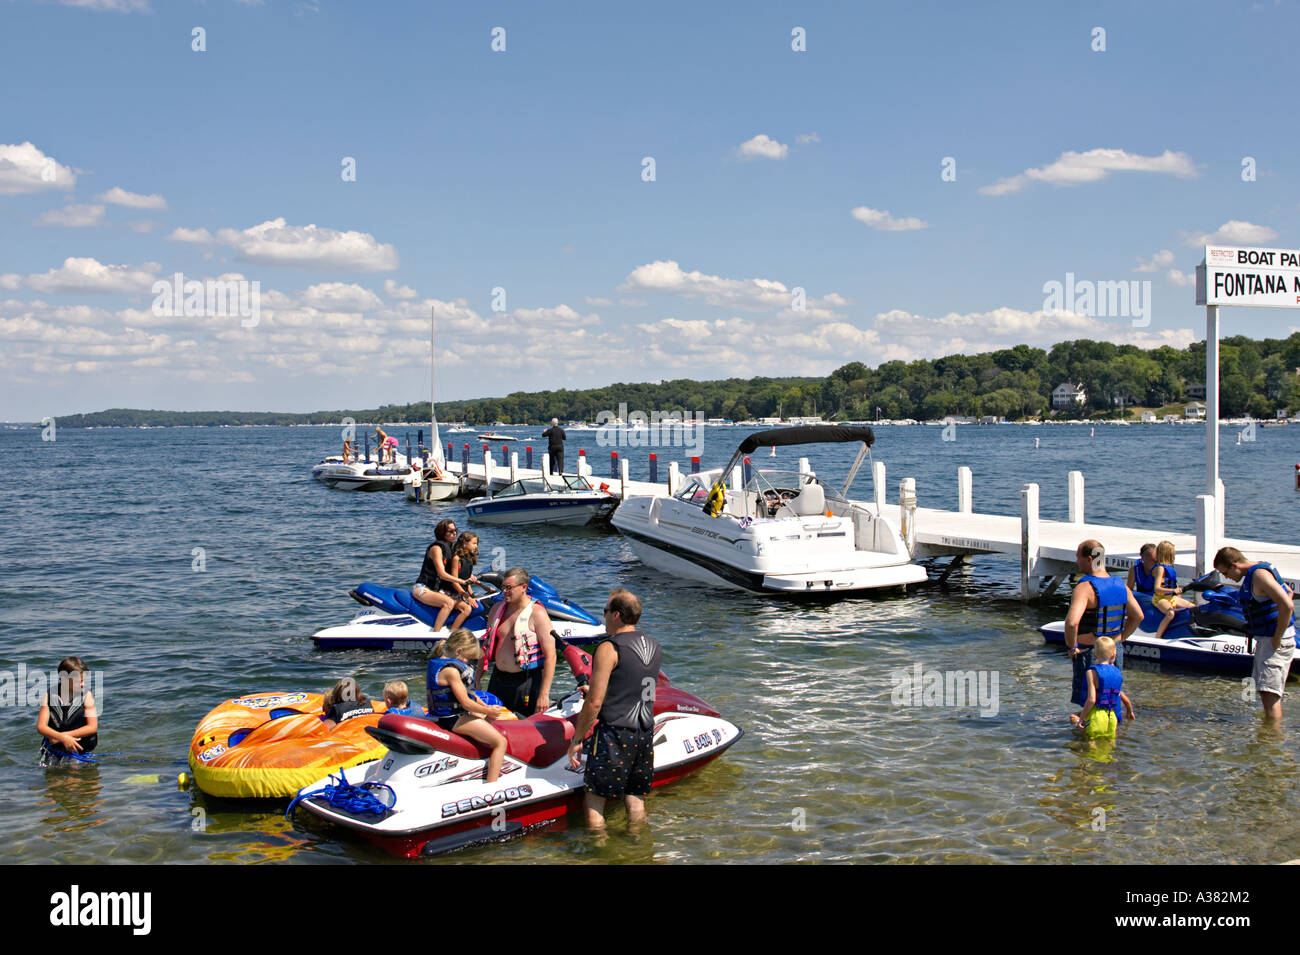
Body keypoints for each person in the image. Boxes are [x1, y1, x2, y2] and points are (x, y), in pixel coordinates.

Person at [566, 588, 662, 829]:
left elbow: (595, 702)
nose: (604, 616)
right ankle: (637, 844)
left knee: (594, 799)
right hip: (644, 731)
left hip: (615, 734)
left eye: (605, 611)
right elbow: (635, 686)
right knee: (635, 797)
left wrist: (577, 738)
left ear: (617, 615)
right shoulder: (654, 645)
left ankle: (599, 850)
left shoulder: (609, 647)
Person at [1214, 546, 1296, 723]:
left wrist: (1277, 637)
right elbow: (1288, 592)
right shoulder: (1260, 571)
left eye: (1225, 572)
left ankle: (1271, 743)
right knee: (1265, 693)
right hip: (1267, 640)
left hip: (1274, 641)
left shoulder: (1259, 575)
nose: (1226, 577)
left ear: (1234, 565)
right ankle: (1267, 737)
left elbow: (1287, 605)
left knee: (1270, 696)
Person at [1063, 539, 1143, 717]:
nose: (1076, 561)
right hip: (1115, 652)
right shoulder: (1120, 584)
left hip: (1089, 653)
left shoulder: (1085, 587)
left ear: (1090, 559)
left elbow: (1071, 623)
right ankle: (1113, 738)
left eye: (1078, 556)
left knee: (1089, 704)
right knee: (1110, 701)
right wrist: (1120, 639)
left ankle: (1086, 741)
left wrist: (1072, 647)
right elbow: (1138, 616)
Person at [427, 629, 508, 782]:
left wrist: (485, 709)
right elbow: (465, 702)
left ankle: (479, 765)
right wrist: (488, 710)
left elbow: (471, 695)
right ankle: (493, 786)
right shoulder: (451, 671)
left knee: (488, 721)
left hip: (450, 716)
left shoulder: (441, 664)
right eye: (468, 658)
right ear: (459, 651)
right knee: (500, 742)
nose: (468, 663)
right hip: (452, 720)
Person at [482, 566, 558, 716]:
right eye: (503, 587)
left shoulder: (537, 614)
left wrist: (544, 694)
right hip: (498, 679)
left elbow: (551, 656)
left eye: (509, 588)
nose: (504, 591)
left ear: (524, 587)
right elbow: (486, 647)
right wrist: (478, 679)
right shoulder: (496, 610)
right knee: (492, 723)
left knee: (526, 726)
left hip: (526, 681)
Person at [411, 519, 473, 631]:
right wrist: (461, 581)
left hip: (437, 591)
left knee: (466, 608)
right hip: (423, 589)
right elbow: (442, 574)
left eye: (456, 530)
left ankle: (452, 634)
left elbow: (455, 570)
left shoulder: (450, 548)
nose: (454, 533)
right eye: (450, 531)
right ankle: (436, 635)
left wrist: (470, 579)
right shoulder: (436, 548)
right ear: (442, 533)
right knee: (448, 602)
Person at [1069, 636, 1135, 736]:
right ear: (1113, 656)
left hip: (1097, 715)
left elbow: (1092, 700)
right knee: (1109, 745)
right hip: (1112, 717)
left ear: (1094, 654)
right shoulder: (1117, 672)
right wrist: (1130, 711)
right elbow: (1123, 697)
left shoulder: (1092, 672)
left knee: (1091, 745)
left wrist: (1081, 719)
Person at [37, 656, 98, 762]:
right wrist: (62, 738)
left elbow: (92, 727)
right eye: (78, 681)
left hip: (79, 750)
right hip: (54, 749)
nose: (83, 684)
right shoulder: (49, 695)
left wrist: (64, 737)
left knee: (76, 776)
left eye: (84, 680)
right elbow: (41, 726)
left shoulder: (87, 696)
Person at [1150, 540, 1194, 640]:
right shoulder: (1160, 568)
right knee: (1170, 614)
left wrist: (1177, 594)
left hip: (1172, 598)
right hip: (1160, 599)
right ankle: (1158, 637)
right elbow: (1157, 589)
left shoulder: (1170, 567)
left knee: (1193, 608)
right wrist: (1173, 591)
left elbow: (1174, 584)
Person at [446, 532, 484, 614]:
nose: (476, 546)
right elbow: (454, 582)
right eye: (474, 543)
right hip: (452, 592)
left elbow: (467, 581)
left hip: (463, 592)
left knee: (480, 606)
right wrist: (467, 597)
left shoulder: (470, 557)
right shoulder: (456, 558)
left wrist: (472, 595)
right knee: (474, 609)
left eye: (476, 543)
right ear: (464, 544)